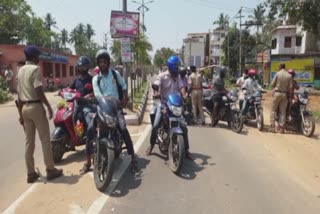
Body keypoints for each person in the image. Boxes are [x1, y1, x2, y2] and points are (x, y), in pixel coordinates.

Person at [16, 45, 63, 183]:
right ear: (34, 57)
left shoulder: (20, 71)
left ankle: (30, 173)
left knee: (29, 142)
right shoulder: (35, 69)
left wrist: (20, 115)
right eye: (38, 56)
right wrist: (48, 106)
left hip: (24, 107)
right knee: (45, 140)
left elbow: (18, 96)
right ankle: (50, 169)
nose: (39, 59)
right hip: (36, 106)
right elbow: (38, 90)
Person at [92, 49, 138, 172]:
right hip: (102, 107)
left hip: (116, 108)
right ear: (98, 63)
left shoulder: (115, 74)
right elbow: (97, 94)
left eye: (104, 61)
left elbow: (123, 85)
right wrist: (103, 100)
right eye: (100, 62)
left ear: (108, 62)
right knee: (90, 129)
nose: (102, 64)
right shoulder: (95, 79)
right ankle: (89, 160)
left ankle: (133, 158)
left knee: (123, 129)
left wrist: (124, 99)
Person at [146, 55, 194, 160]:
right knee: (155, 126)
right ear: (172, 66)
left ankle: (186, 150)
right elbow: (157, 84)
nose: (178, 69)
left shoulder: (177, 77)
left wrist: (185, 95)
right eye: (176, 67)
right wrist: (157, 92)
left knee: (184, 128)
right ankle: (151, 145)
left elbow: (182, 87)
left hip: (175, 105)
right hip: (164, 104)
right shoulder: (162, 76)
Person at [69, 56, 96, 175]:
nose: (82, 68)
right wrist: (63, 92)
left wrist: (90, 95)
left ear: (87, 67)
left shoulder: (92, 79)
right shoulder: (77, 80)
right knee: (74, 123)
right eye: (80, 66)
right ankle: (73, 142)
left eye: (84, 66)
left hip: (88, 107)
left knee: (91, 127)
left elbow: (96, 92)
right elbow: (70, 89)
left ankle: (89, 159)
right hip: (77, 106)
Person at [270, 63, 293, 133]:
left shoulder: (278, 74)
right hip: (284, 94)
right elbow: (290, 87)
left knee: (273, 110)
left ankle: (272, 127)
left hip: (277, 93)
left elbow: (272, 84)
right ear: (285, 67)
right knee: (283, 112)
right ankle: (282, 128)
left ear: (280, 67)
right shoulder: (289, 75)